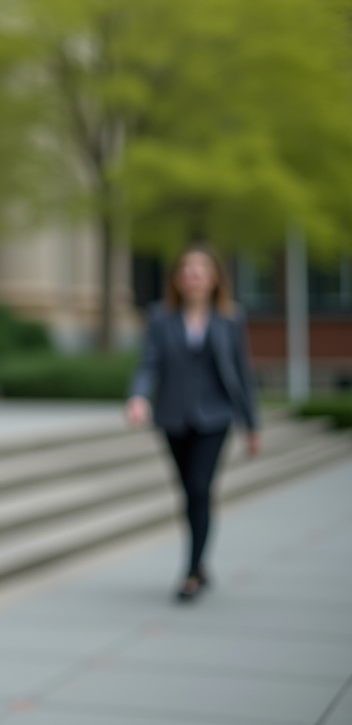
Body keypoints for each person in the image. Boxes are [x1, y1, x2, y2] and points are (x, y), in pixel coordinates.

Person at [126, 244, 260, 602]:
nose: (193, 275)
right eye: (186, 268)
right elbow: (149, 363)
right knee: (189, 492)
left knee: (200, 488)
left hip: (216, 417)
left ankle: (191, 572)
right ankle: (201, 563)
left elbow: (242, 374)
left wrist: (252, 425)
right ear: (177, 278)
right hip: (173, 417)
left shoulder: (230, 318)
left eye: (201, 269)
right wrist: (138, 396)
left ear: (214, 277)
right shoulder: (160, 316)